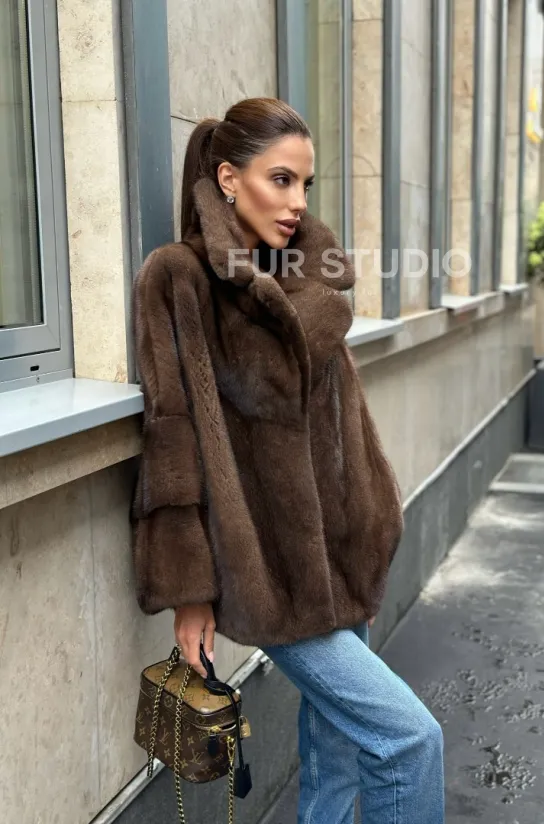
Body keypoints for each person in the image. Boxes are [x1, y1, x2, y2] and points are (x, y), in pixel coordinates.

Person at [130, 96, 444, 823]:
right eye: (281, 179)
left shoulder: (311, 276)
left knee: (336, 757)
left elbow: (343, 419)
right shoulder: (178, 277)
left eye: (306, 182)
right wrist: (189, 590)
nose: (298, 201)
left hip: (343, 553)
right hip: (266, 569)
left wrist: (372, 513)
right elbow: (171, 434)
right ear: (228, 178)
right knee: (409, 740)